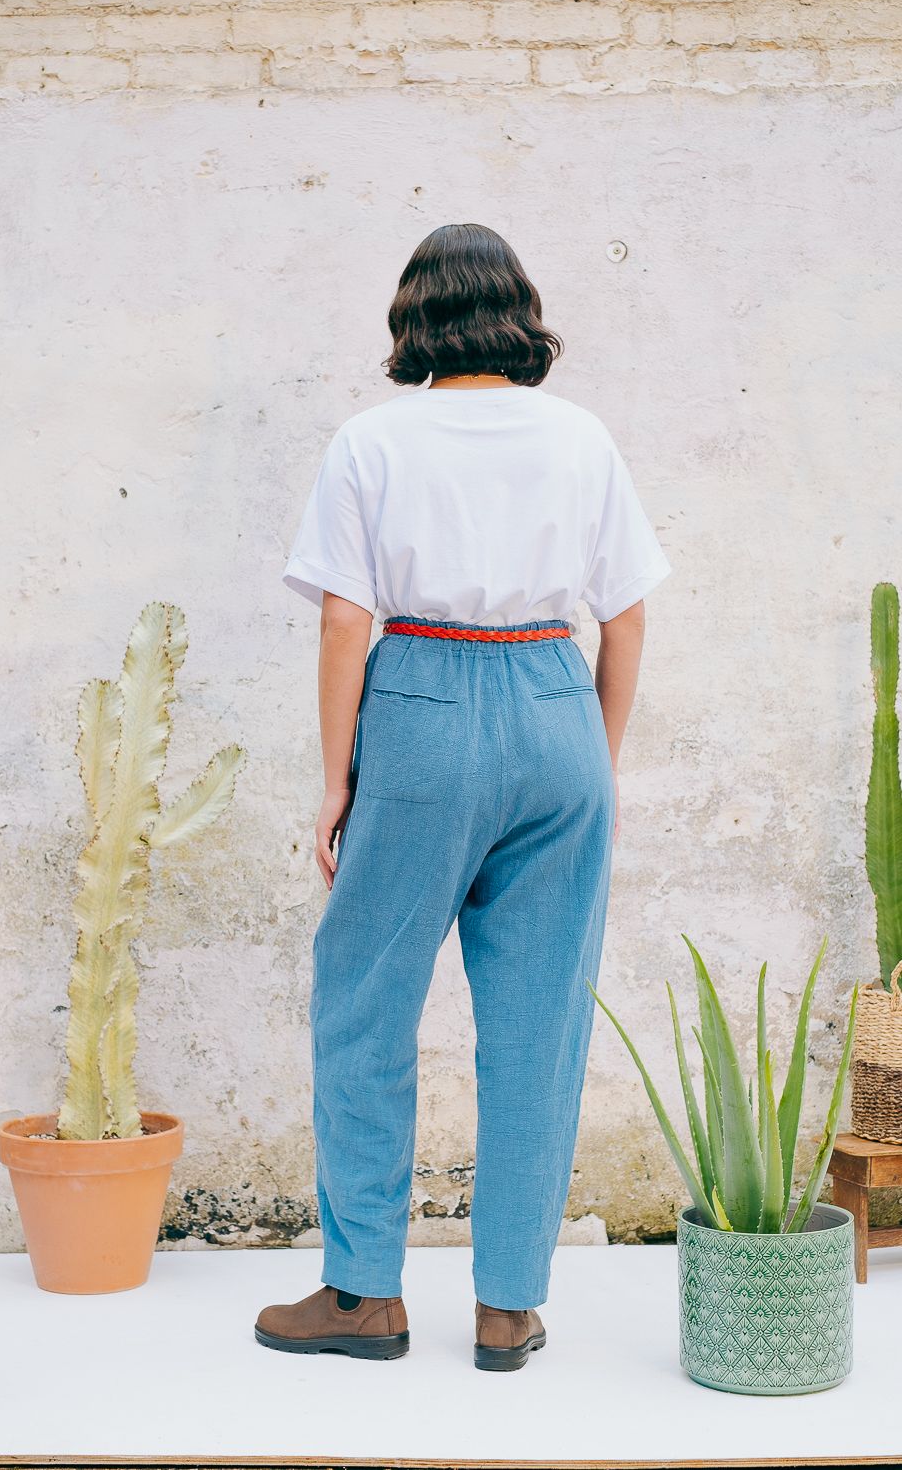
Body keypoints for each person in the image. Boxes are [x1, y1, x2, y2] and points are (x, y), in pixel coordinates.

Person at [257, 222, 671, 1371]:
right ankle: (506, 1308)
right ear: (518, 315)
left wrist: (338, 778)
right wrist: (597, 756)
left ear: (415, 321)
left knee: (365, 1003)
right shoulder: (582, 437)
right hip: (554, 699)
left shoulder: (372, 440)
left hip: (423, 702)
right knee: (538, 1026)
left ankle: (361, 1296)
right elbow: (625, 613)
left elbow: (347, 618)